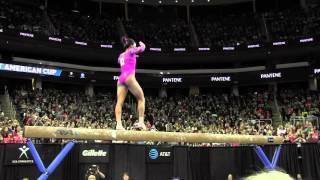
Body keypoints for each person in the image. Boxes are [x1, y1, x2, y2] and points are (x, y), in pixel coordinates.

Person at [115, 37, 147, 130]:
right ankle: (141, 122)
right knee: (141, 99)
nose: (135, 46)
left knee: (119, 102)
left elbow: (120, 61)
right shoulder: (130, 51)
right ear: (132, 45)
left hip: (121, 78)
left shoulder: (121, 55)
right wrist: (142, 44)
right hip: (129, 77)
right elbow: (142, 49)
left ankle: (119, 125)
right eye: (135, 44)